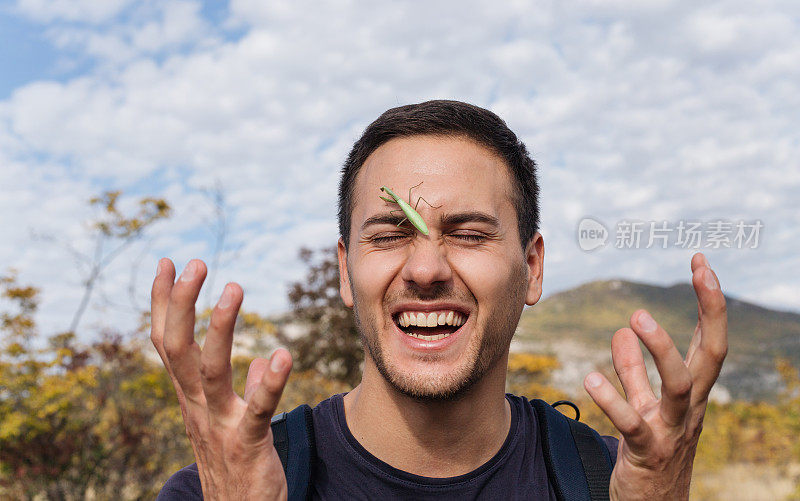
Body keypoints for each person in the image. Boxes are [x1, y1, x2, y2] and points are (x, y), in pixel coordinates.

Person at [151, 100, 728, 500]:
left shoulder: (614, 481)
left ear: (532, 268)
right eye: (388, 236)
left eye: (469, 234)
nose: (425, 269)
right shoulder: (226, 486)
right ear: (346, 273)